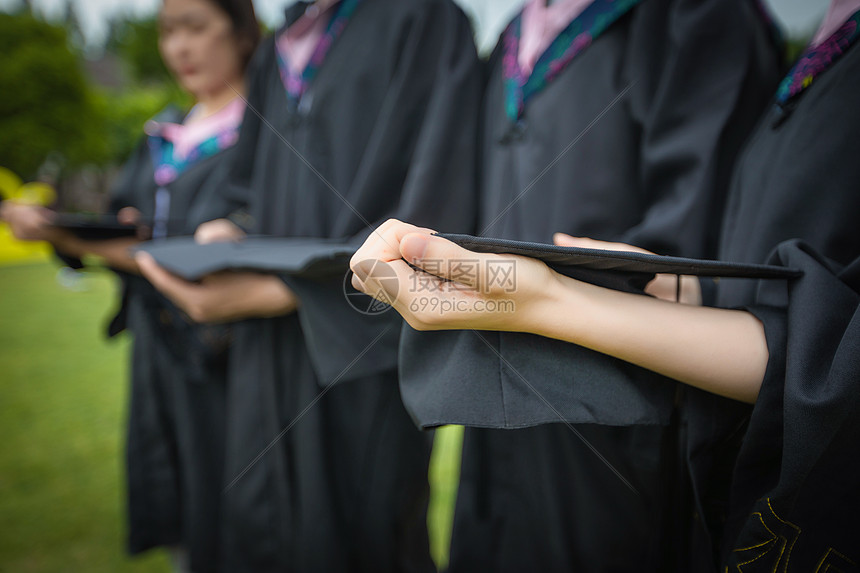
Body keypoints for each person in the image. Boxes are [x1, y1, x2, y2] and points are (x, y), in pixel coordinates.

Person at [350, 0, 860, 568]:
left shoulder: (697, 19)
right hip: (495, 399)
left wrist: (568, 294)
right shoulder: (512, 42)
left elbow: (706, 256)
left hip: (613, 421)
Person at [134, 0, 482, 570]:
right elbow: (245, 187)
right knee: (258, 526)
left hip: (359, 351)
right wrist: (226, 228)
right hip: (262, 355)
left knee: (360, 534)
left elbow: (435, 204)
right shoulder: (277, 50)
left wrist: (292, 291)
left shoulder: (424, 21)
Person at [2, 0, 260, 571]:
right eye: (168, 32)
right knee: (175, 498)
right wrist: (61, 229)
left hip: (230, 353)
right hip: (156, 347)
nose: (179, 48)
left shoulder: (266, 133)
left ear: (242, 33)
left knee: (232, 504)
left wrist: (84, 241)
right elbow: (124, 220)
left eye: (196, 28)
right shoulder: (164, 133)